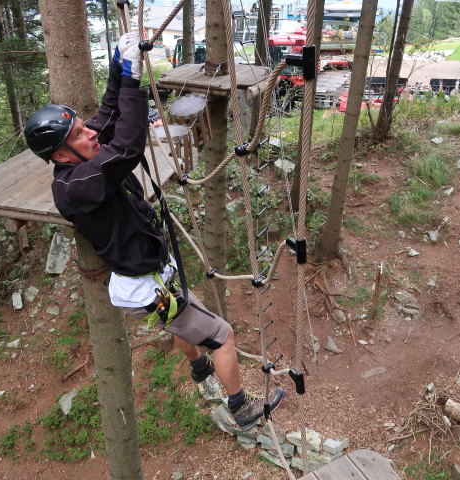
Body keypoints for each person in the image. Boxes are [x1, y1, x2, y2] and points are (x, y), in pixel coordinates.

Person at [24, 33, 284, 430]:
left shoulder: (82, 164)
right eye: (78, 134)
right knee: (223, 335)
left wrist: (117, 71)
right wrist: (131, 82)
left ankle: (197, 367)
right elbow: (127, 145)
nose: (90, 133)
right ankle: (241, 409)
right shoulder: (77, 184)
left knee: (179, 318)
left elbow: (109, 118)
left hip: (151, 276)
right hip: (146, 286)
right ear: (60, 155)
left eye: (81, 127)